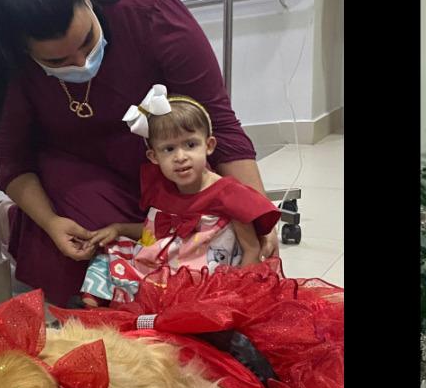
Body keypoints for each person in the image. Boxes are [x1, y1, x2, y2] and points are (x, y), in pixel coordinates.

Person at [0, 0, 278, 306]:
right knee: (100, 262)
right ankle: (21, 223)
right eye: (58, 62)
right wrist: (51, 222)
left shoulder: (149, 10)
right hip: (74, 170)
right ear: (23, 51)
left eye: (87, 41)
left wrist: (258, 215)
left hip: (160, 161)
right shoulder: (6, 67)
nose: (82, 62)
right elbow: (14, 162)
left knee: (209, 238)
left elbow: (218, 121)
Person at [79, 86, 281, 306]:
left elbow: (251, 249)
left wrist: (232, 295)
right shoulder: (160, 188)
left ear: (209, 145)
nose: (180, 157)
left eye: (191, 145)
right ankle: (98, 312)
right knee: (108, 256)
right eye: (168, 149)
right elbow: (154, 232)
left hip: (210, 282)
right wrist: (118, 229)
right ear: (153, 157)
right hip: (163, 271)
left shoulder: (229, 194)